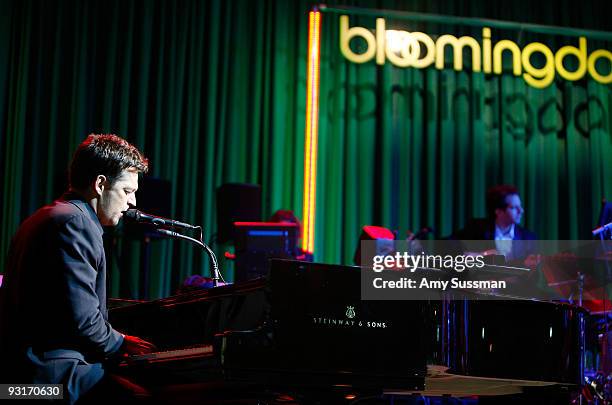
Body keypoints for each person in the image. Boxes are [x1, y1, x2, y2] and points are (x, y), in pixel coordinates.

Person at [0, 134, 156, 403]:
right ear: (100, 184)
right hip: (49, 379)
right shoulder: (76, 223)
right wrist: (120, 343)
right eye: (127, 192)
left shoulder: (46, 216)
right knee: (144, 396)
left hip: (21, 375)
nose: (132, 203)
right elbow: (83, 320)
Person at [452, 184, 538, 264]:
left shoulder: (528, 237)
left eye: (520, 206)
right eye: (514, 207)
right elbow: (448, 246)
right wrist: (482, 255)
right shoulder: (476, 228)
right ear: (498, 211)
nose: (521, 211)